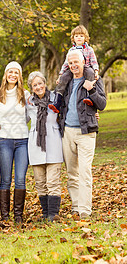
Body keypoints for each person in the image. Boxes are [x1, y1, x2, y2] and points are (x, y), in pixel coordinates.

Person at [59, 49, 106, 219]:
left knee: (84, 171)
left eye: (76, 62)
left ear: (83, 62)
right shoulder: (66, 82)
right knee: (72, 173)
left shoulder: (94, 79)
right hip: (68, 132)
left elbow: (102, 104)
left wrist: (92, 90)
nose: (73, 66)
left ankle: (85, 210)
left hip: (86, 132)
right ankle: (76, 207)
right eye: (70, 63)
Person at [0, 61, 30, 223]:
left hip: (22, 141)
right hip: (4, 141)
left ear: (20, 76)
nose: (12, 75)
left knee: (20, 178)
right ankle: (5, 216)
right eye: (10, 72)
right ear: (5, 75)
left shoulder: (25, 95)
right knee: (5, 179)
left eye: (16, 72)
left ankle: (18, 216)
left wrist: (19, 126)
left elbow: (28, 116)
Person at [26, 71, 63, 222]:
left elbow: (66, 112)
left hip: (53, 141)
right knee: (40, 182)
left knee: (53, 181)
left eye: (40, 83)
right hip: (36, 144)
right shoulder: (29, 102)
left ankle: (53, 214)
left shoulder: (56, 98)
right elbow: (21, 120)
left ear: (45, 83)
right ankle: (45, 213)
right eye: (35, 85)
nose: (38, 87)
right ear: (31, 88)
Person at [49, 25, 99, 113]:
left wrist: (96, 71)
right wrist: (60, 75)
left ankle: (89, 97)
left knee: (90, 73)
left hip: (86, 67)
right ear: (73, 38)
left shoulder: (89, 49)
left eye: (81, 36)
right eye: (76, 36)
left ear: (85, 37)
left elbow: (94, 61)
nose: (79, 38)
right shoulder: (71, 50)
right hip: (72, 69)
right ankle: (57, 101)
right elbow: (66, 63)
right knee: (64, 77)